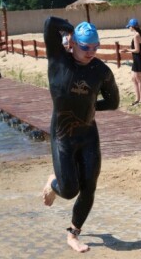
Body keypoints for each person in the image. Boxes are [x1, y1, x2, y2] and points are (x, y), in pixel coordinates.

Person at [41, 17, 120, 253]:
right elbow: (49, 24)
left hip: (88, 134)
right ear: (73, 43)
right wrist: (69, 28)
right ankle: (53, 184)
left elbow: (114, 102)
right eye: (86, 47)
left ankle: (73, 233)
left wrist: (93, 108)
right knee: (68, 189)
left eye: (96, 47)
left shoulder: (101, 71)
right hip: (63, 134)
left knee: (88, 187)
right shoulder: (58, 59)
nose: (91, 52)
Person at [121, 18, 141, 105]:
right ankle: (137, 98)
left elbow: (137, 50)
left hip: (138, 60)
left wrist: (127, 50)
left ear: (132, 26)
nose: (129, 28)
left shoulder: (136, 35)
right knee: (134, 78)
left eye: (129, 26)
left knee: (139, 79)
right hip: (137, 59)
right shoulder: (139, 34)